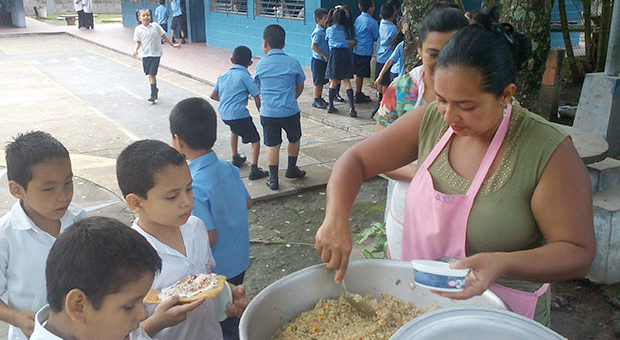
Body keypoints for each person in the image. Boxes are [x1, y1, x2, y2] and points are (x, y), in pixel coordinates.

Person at [315, 4, 596, 326]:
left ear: (506, 95)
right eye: (443, 99)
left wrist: (503, 263)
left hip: (504, 317)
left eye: (466, 106)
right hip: (423, 306)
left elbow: (578, 252)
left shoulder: (548, 152)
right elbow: (356, 159)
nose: (449, 116)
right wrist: (336, 217)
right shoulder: (433, 120)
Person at [116, 140, 248, 340]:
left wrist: (228, 292)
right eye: (172, 197)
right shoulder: (128, 260)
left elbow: (206, 275)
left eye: (189, 188)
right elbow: (120, 334)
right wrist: (156, 323)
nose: (186, 202)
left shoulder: (196, 227)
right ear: (136, 202)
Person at [373, 5, 468, 259]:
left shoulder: (482, 97)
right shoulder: (402, 91)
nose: (445, 62)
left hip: (465, 214)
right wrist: (425, 177)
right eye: (434, 53)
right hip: (408, 208)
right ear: (418, 49)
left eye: (453, 52)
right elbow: (378, 158)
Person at [169, 97, 252, 339]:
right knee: (234, 308)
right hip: (239, 258)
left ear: (178, 140)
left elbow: (209, 236)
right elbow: (247, 202)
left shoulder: (193, 185)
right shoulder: (228, 168)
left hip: (219, 269)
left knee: (222, 316)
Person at [0, 131, 87, 340]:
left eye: (68, 183)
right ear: (17, 190)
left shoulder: (79, 219)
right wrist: (16, 317)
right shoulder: (6, 235)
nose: (64, 196)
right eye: (49, 189)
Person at [30, 216, 163, 340]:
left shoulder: (120, 331)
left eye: (141, 301)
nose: (142, 315)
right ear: (78, 306)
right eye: (128, 307)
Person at [254, 24, 306, 190]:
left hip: (268, 112)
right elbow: (300, 85)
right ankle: (291, 169)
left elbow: (258, 87)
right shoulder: (293, 62)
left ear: (264, 44)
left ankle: (273, 179)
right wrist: (291, 98)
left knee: (272, 145)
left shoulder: (261, 64)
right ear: (284, 44)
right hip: (290, 111)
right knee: (294, 138)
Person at [210, 46, 269, 180]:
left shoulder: (223, 76)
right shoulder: (245, 76)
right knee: (255, 140)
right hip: (239, 114)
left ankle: (235, 156)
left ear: (232, 60)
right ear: (250, 63)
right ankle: (254, 169)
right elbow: (256, 96)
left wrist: (226, 101)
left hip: (224, 114)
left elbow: (213, 95)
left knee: (234, 130)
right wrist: (261, 113)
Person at [133, 8, 181, 103]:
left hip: (156, 54)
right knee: (149, 75)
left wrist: (173, 45)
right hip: (145, 55)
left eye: (148, 15)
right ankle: (155, 89)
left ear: (151, 17)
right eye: (143, 15)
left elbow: (164, 36)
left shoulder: (155, 26)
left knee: (152, 74)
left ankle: (153, 94)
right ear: (139, 18)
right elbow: (138, 42)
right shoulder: (138, 29)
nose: (146, 17)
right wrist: (135, 50)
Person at [325, 7, 357, 117]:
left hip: (334, 54)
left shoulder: (329, 29)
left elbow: (327, 40)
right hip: (345, 54)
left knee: (333, 81)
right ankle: (352, 107)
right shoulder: (346, 29)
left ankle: (330, 106)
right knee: (347, 81)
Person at [371, 3, 398, 116]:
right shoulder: (393, 28)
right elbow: (393, 42)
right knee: (386, 84)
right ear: (393, 15)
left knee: (381, 83)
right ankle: (383, 106)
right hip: (388, 59)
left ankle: (380, 102)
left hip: (379, 57)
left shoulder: (380, 24)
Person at [352, 0, 378, 104]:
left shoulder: (358, 19)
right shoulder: (371, 22)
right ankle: (358, 93)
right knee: (360, 74)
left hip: (357, 49)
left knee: (359, 73)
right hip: (365, 50)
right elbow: (376, 37)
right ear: (370, 8)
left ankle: (359, 92)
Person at [310, 8, 330, 110]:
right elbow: (314, 46)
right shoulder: (318, 32)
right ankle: (316, 99)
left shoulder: (325, 30)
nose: (327, 20)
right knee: (318, 81)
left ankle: (320, 97)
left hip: (322, 60)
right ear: (318, 20)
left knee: (322, 80)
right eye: (325, 18)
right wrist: (324, 55)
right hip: (318, 60)